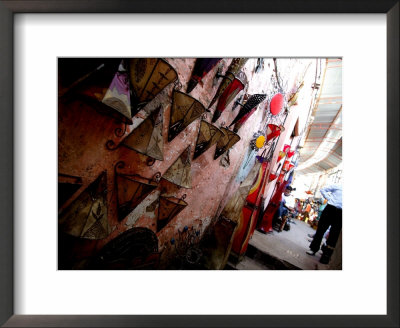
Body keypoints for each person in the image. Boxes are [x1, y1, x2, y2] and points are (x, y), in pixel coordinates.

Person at [306, 184, 342, 264]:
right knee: (321, 230)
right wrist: (329, 199)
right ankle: (313, 249)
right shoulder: (338, 186)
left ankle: (326, 255)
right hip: (330, 208)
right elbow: (323, 189)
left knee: (334, 235)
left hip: (341, 213)